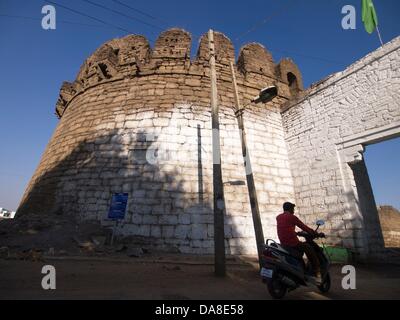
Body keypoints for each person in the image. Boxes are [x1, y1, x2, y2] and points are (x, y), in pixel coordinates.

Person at [276, 202, 322, 282]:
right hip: (292, 243)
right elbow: (304, 227)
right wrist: (315, 233)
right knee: (309, 248)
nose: (293, 211)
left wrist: (296, 233)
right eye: (293, 209)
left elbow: (285, 228)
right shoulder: (292, 217)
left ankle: (301, 269)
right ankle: (317, 272)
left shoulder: (278, 217)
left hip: (283, 243)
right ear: (290, 209)